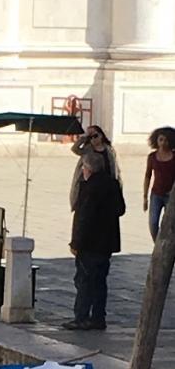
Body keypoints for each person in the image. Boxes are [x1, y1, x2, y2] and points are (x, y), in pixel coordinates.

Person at [66, 133, 124, 331]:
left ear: (87, 168)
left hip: (89, 243)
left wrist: (75, 243)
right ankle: (98, 318)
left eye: (83, 167)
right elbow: (121, 209)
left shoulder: (88, 188)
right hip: (107, 242)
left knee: (84, 280)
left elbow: (83, 218)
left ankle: (81, 317)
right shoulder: (113, 184)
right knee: (100, 282)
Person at [145, 127, 175, 242]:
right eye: (161, 140)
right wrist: (145, 197)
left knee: (169, 225)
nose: (163, 143)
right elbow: (148, 176)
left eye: (166, 140)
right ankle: (158, 245)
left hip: (171, 196)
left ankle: (167, 247)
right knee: (153, 223)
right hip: (156, 194)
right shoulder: (152, 157)